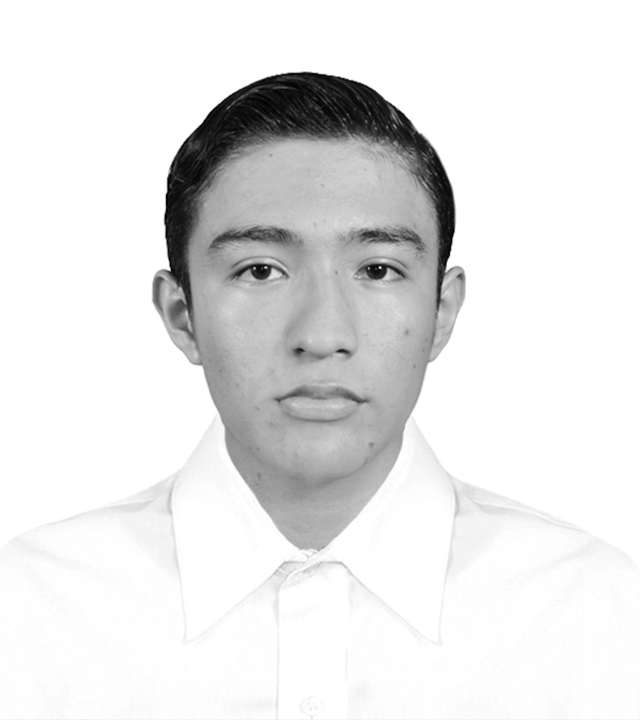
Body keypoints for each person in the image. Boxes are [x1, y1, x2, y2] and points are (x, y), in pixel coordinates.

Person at [0, 73, 638, 720]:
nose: (322, 334)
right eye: (260, 270)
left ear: (442, 312)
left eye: (378, 269)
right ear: (181, 314)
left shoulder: (602, 613)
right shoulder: (25, 611)